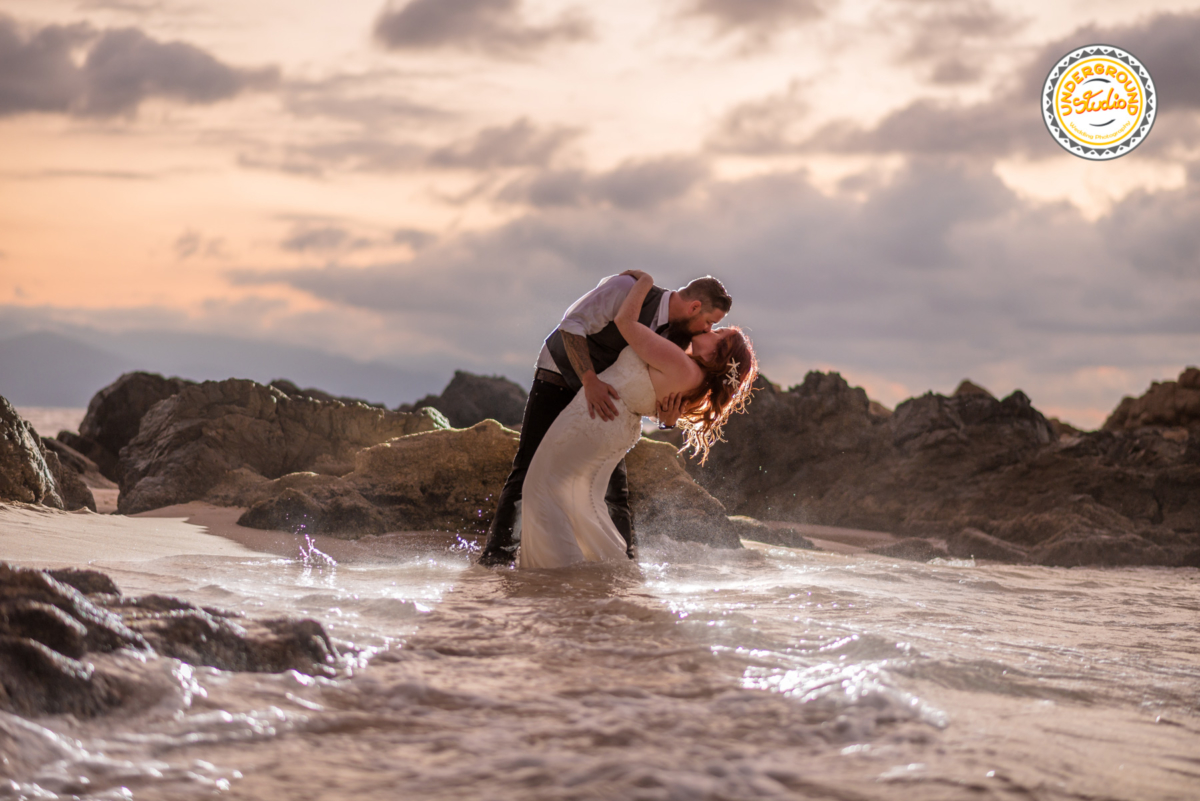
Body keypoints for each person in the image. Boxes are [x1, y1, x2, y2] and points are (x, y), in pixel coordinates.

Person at [476, 272, 733, 567]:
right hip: (560, 378)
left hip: (608, 410)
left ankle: (621, 563)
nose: (708, 330)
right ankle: (497, 558)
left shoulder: (680, 337)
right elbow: (572, 325)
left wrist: (667, 422)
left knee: (614, 490)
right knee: (527, 468)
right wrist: (589, 380)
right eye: (710, 322)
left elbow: (651, 387)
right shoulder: (626, 289)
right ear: (695, 307)